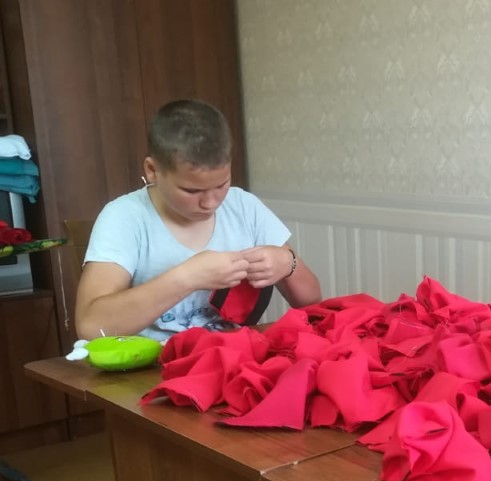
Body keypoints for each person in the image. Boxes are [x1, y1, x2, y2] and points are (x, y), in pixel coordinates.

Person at [76, 99, 321, 341]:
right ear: (152, 170)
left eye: (222, 185)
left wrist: (288, 264)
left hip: (233, 355)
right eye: (192, 191)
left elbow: (313, 304)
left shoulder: (244, 207)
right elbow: (90, 326)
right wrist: (187, 277)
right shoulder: (124, 217)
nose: (211, 203)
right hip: (151, 363)